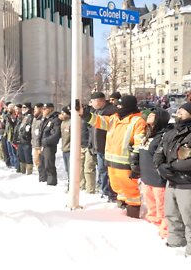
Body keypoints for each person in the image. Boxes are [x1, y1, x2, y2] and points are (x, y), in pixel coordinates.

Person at [80, 95, 146, 218]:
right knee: (118, 188)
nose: (118, 108)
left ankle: (133, 214)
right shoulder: (114, 118)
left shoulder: (137, 121)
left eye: (121, 106)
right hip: (112, 162)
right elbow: (98, 121)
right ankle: (121, 210)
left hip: (126, 164)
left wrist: (136, 162)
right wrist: (84, 114)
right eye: (117, 106)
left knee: (131, 191)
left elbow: (139, 143)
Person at [154, 103, 191, 257]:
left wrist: (172, 167)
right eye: (179, 110)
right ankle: (176, 243)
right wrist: (161, 166)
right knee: (171, 214)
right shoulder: (171, 132)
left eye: (183, 110)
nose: (179, 112)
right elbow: (159, 152)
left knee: (189, 217)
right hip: (172, 180)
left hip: (187, 183)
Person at [130, 108, 170, 239]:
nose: (149, 116)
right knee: (151, 206)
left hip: (159, 179)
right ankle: (152, 227)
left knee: (162, 208)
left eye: (153, 115)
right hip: (147, 177)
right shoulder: (148, 134)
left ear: (160, 119)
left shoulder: (164, 135)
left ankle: (165, 231)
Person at [89, 92, 118, 201]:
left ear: (99, 101)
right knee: (101, 170)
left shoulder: (111, 111)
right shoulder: (97, 111)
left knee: (107, 171)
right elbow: (93, 131)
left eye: (92, 101)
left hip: (108, 147)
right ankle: (104, 189)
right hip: (99, 147)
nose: (91, 104)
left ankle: (109, 192)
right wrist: (91, 144)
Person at [38, 103, 61, 186]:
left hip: (49, 145)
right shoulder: (45, 119)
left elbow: (55, 134)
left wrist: (45, 141)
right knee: (42, 164)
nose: (43, 110)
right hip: (43, 145)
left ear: (51, 109)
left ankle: (51, 182)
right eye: (43, 108)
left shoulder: (55, 120)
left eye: (45, 109)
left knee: (49, 164)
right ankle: (43, 179)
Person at [16, 102, 34, 175]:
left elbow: (28, 128)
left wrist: (26, 133)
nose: (23, 109)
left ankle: (29, 172)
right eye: (22, 107)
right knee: (21, 156)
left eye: (24, 107)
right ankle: (22, 171)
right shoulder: (23, 116)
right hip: (20, 140)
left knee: (27, 157)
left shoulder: (30, 117)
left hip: (26, 140)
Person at [31, 103, 44, 181]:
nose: (34, 111)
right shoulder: (35, 119)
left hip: (40, 144)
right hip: (34, 143)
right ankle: (40, 175)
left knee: (40, 162)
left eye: (36, 109)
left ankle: (42, 176)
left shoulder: (42, 119)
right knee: (36, 161)